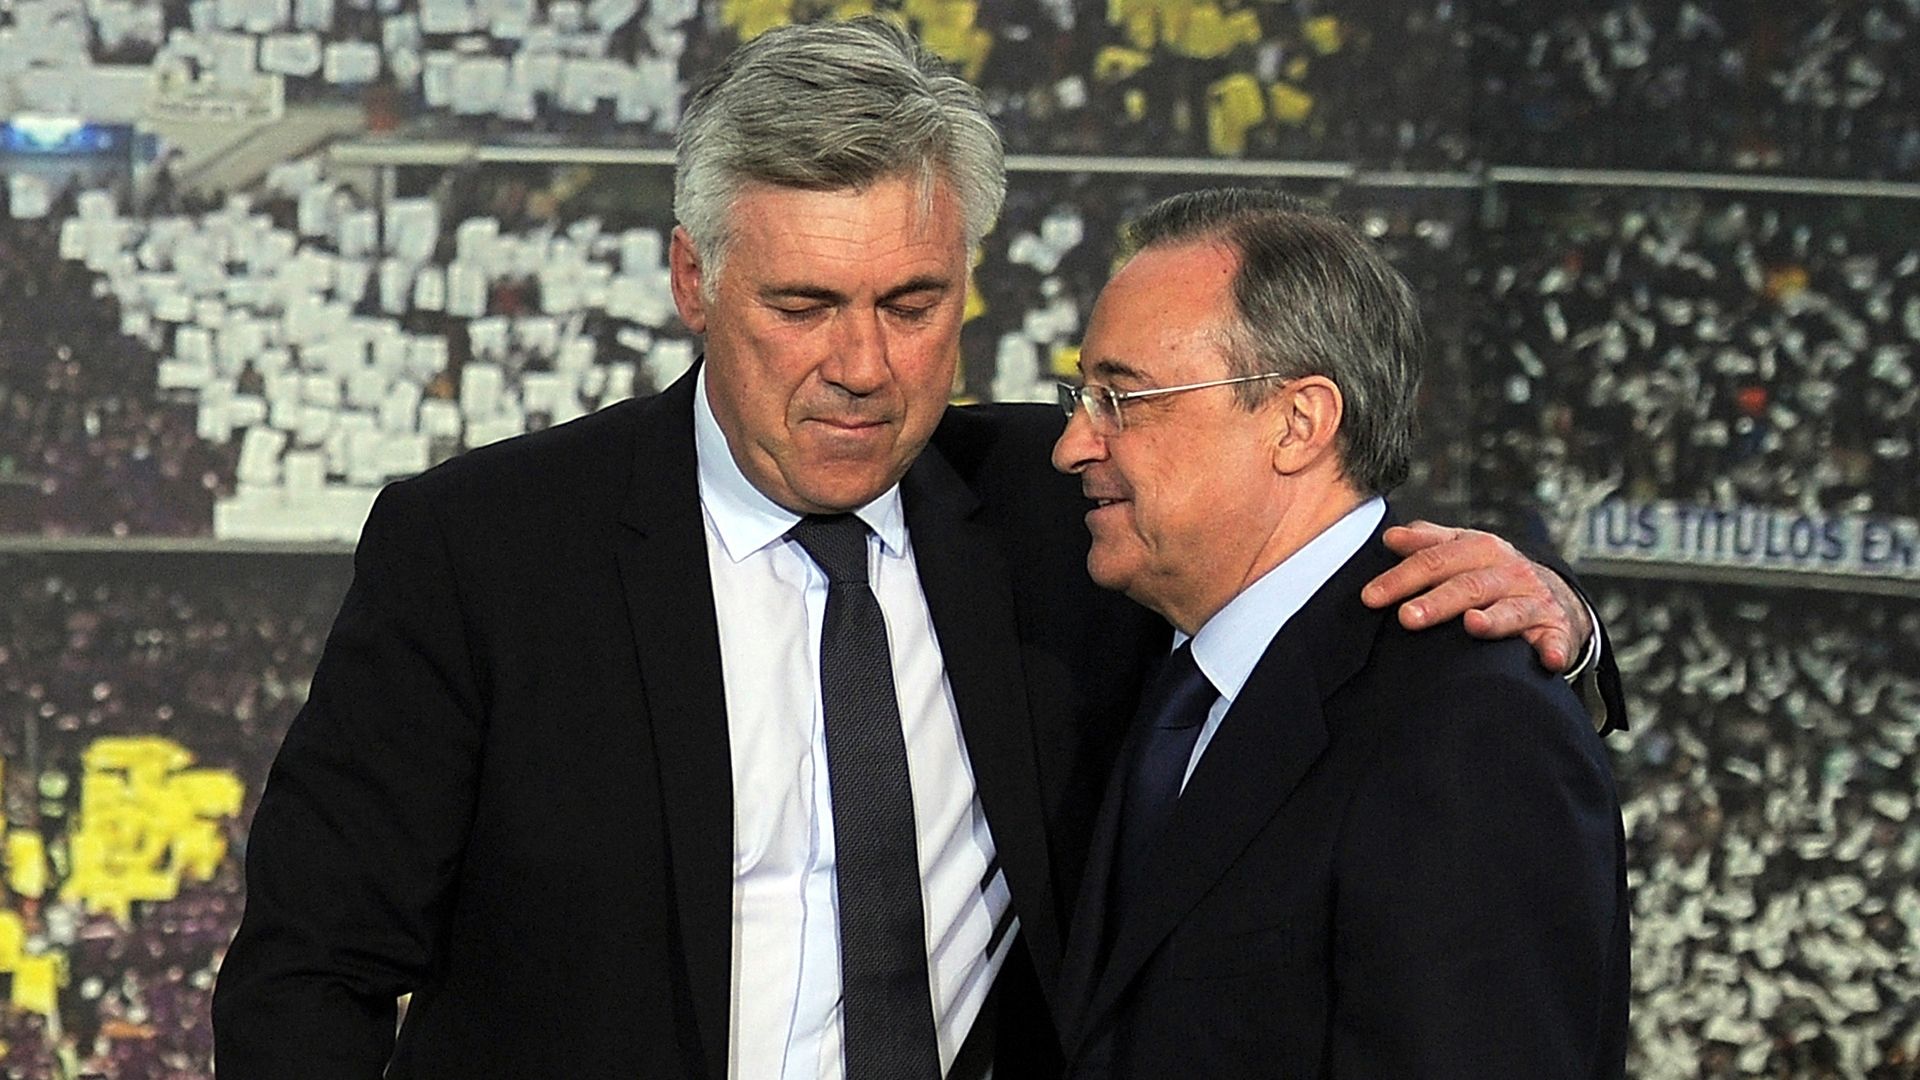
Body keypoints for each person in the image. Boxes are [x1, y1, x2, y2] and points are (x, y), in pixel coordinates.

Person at [212, 19, 1616, 1080]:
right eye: (807, 303)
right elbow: (308, 974)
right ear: (696, 281)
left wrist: (1556, 616)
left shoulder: (1065, 512)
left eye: (913, 300)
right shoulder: (486, 551)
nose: (864, 367)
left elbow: (1299, 568)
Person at [1050, 189, 1628, 1078]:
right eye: (1079, 397)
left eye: (1123, 399)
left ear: (1298, 422)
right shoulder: (1135, 645)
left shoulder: (1469, 732)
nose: (1072, 445)